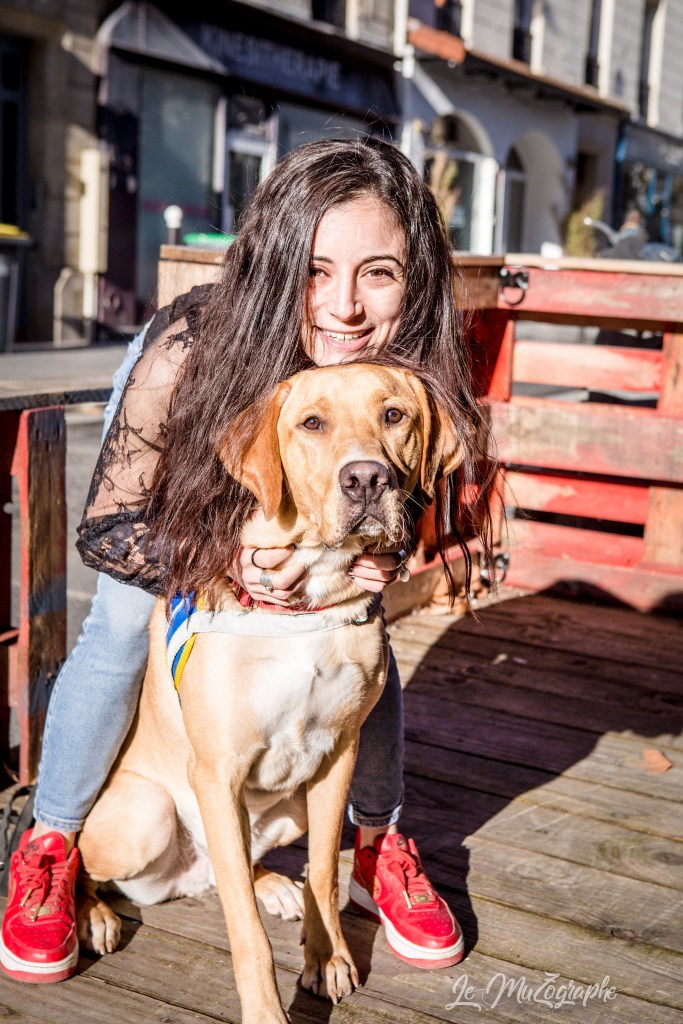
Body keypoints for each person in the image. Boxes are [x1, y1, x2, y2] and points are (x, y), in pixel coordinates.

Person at [0, 136, 494, 985]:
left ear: (411, 278)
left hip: (309, 516)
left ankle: (377, 843)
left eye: (377, 272)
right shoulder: (193, 341)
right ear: (276, 263)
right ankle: (52, 841)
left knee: (356, 626)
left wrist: (376, 554)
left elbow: (413, 484)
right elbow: (110, 523)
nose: (342, 306)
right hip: (180, 501)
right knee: (123, 626)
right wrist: (224, 561)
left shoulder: (408, 349)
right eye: (315, 269)